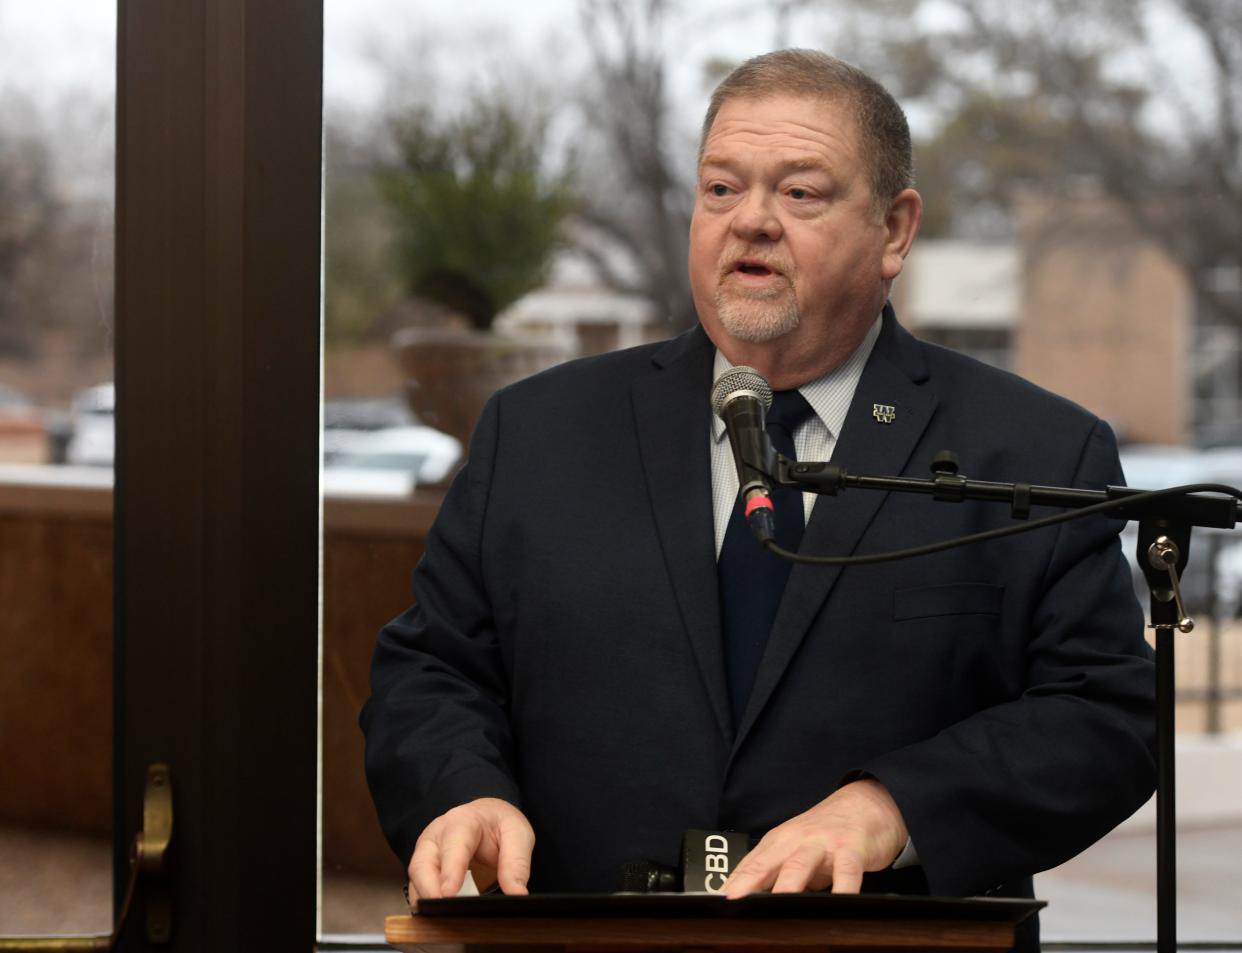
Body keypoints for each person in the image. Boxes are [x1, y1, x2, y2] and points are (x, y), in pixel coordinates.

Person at [360, 49, 1156, 949]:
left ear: (895, 231)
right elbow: (432, 672)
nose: (752, 224)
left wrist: (894, 807)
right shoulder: (537, 432)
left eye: (802, 193)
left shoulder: (1034, 449)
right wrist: (464, 790)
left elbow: (1105, 718)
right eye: (721, 189)